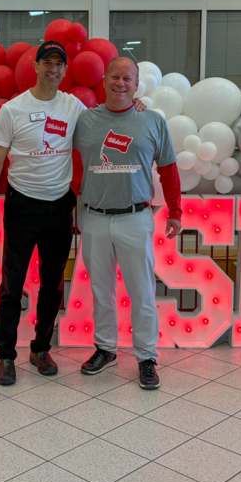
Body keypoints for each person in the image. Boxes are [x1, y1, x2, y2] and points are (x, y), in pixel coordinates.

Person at [0, 40, 85, 385]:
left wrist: (136, 106)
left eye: (59, 64)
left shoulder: (74, 107)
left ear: (64, 70)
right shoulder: (13, 110)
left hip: (59, 206)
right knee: (13, 282)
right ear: (36, 67)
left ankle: (40, 348)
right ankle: (6, 355)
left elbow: (105, 126)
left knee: (53, 284)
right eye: (47, 63)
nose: (53, 70)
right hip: (21, 205)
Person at [73, 56, 182, 390]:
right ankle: (105, 349)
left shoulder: (152, 121)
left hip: (135, 218)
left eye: (127, 79)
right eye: (115, 77)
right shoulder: (85, 121)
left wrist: (176, 211)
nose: (121, 84)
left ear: (137, 84)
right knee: (100, 290)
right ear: (104, 80)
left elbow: (169, 169)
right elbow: (74, 165)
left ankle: (147, 357)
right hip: (93, 218)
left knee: (142, 292)